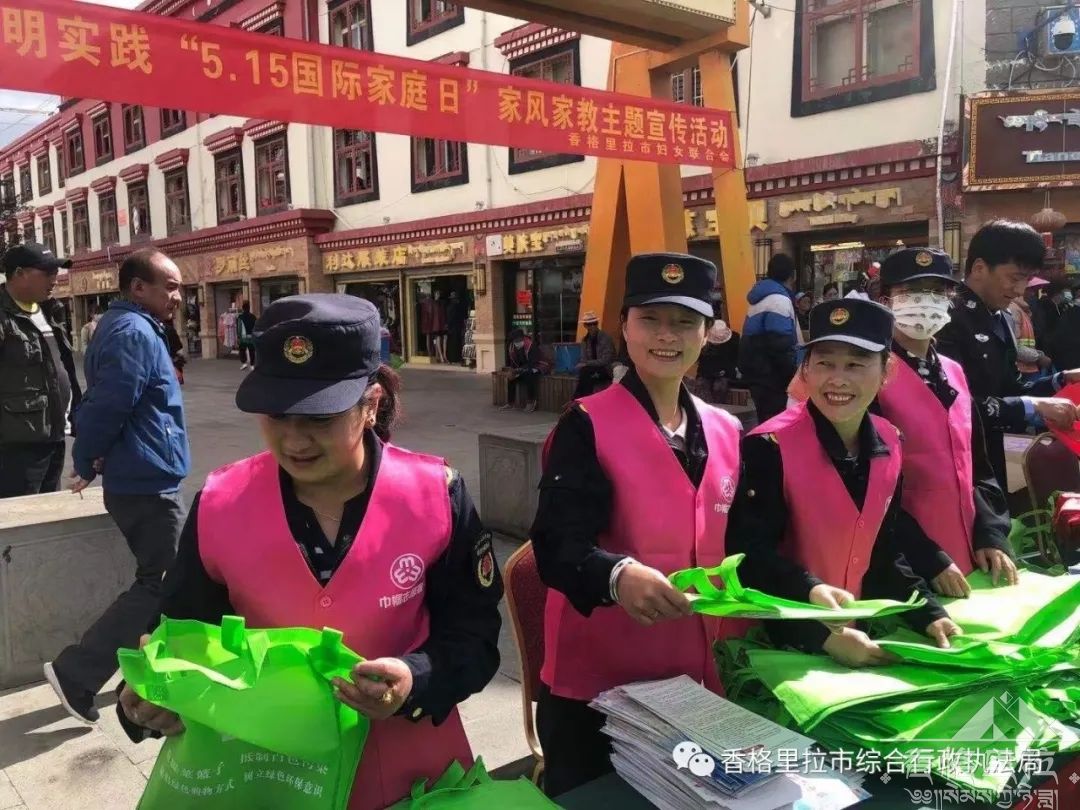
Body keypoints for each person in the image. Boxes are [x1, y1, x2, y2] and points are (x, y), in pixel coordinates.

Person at [115, 294, 502, 810]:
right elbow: (178, 632)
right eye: (277, 415)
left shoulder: (435, 494)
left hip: (410, 778)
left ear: (371, 405)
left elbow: (475, 635)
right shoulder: (221, 503)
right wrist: (153, 697)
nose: (295, 440)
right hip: (267, 776)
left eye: (320, 418)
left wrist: (416, 679)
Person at [531, 252, 743, 796]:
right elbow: (555, 543)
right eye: (650, 319)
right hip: (598, 691)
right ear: (624, 326)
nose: (666, 336)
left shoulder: (726, 430)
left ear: (708, 333)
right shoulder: (586, 424)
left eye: (684, 322)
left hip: (696, 680)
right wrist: (617, 574)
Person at [728, 299, 960, 666]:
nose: (838, 379)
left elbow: (882, 550)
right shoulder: (769, 446)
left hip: (853, 642)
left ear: (886, 371)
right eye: (824, 363)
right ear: (805, 370)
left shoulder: (890, 441)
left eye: (856, 364)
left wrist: (927, 613)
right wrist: (822, 635)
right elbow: (750, 559)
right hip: (780, 647)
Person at [47, 248, 190, 724]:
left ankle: (137, 675)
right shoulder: (133, 332)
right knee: (163, 583)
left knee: (165, 581)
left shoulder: (135, 327)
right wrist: (86, 459)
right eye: (170, 286)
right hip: (145, 480)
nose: (178, 296)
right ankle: (78, 673)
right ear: (138, 288)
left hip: (146, 471)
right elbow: (108, 404)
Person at [873, 248, 1017, 597]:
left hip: (967, 553)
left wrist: (991, 533)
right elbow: (868, 486)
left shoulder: (953, 371)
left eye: (938, 291)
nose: (927, 300)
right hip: (903, 561)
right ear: (885, 300)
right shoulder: (870, 375)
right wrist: (928, 558)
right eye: (912, 291)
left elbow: (978, 466)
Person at [936, 221, 1080, 493]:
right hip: (951, 461)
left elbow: (1010, 388)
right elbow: (949, 405)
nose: (1020, 290)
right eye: (1014, 278)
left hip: (989, 455)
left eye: (1026, 280)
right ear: (979, 268)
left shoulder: (1000, 317)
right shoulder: (945, 318)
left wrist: (1060, 381)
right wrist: (1032, 407)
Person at [0, 242, 81, 498]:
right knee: (20, 515)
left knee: (48, 510)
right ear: (19, 273)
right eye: (47, 273)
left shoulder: (50, 310)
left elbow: (64, 368)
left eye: (56, 272)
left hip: (54, 435)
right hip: (17, 444)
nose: (54, 279)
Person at [739, 253, 800, 423]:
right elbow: (780, 344)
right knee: (776, 425)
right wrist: (793, 374)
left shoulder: (760, 299)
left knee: (765, 423)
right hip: (773, 379)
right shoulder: (778, 300)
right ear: (793, 275)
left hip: (759, 375)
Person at [573, 310, 616, 398]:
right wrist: (585, 364)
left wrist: (587, 363)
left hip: (605, 370)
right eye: (589, 324)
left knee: (586, 374)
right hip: (591, 370)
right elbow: (583, 359)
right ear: (585, 326)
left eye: (594, 323)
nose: (592, 326)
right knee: (585, 373)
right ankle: (582, 400)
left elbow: (606, 360)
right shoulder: (585, 341)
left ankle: (578, 399)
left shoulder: (605, 338)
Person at [695, 320, 740, 403]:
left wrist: (725, 371)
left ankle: (717, 407)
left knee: (719, 387)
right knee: (701, 387)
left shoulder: (734, 340)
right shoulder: (703, 340)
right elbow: (700, 361)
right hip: (706, 371)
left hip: (725, 372)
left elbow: (734, 360)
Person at [502, 328, 542, 413]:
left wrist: (519, 370)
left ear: (522, 338)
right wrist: (512, 371)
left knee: (529, 375)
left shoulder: (531, 346)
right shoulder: (513, 347)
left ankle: (531, 402)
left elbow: (533, 363)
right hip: (521, 369)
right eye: (515, 341)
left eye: (518, 340)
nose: (516, 342)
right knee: (511, 378)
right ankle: (510, 403)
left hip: (536, 367)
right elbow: (513, 362)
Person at [237, 301, 257, 370]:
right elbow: (256, 326)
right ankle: (252, 365)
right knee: (252, 351)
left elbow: (239, 328)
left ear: (243, 309)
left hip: (243, 337)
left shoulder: (240, 317)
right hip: (251, 337)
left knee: (242, 350)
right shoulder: (253, 317)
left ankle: (244, 363)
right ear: (249, 308)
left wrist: (238, 336)